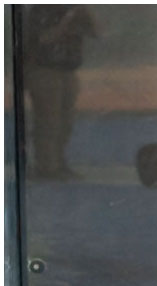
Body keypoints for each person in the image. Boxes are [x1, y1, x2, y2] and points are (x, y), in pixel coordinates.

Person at [24, 5, 96, 180]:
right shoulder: (41, 10)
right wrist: (67, 20)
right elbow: (42, 39)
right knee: (48, 121)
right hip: (44, 69)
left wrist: (85, 15)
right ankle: (46, 166)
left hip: (67, 69)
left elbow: (97, 33)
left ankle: (58, 162)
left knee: (65, 121)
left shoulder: (74, 9)